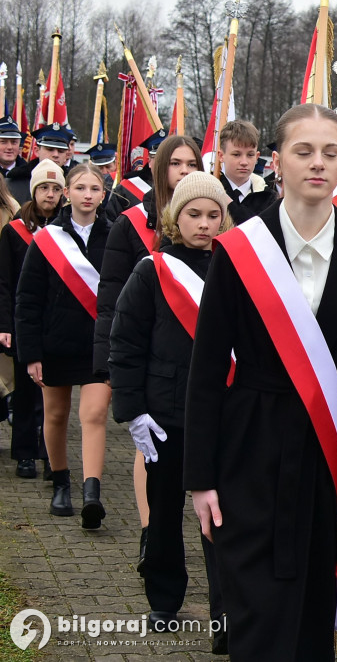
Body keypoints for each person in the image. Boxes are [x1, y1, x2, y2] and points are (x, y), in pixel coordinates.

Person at [184, 104, 337, 660]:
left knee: (308, 618)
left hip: (328, 459)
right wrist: (200, 478)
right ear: (277, 162)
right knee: (255, 614)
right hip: (248, 448)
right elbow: (206, 370)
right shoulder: (238, 250)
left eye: (330, 153)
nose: (317, 164)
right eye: (303, 151)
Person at [109, 170, 231, 651]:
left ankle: (225, 611)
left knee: (219, 516)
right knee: (163, 513)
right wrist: (133, 411)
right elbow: (126, 342)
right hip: (164, 416)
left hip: (220, 416)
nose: (204, 223)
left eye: (213, 214)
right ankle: (163, 595)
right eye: (193, 214)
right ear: (175, 218)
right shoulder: (152, 270)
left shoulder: (236, 269)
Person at [95, 135, 202, 567]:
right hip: (156, 373)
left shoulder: (220, 231)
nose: (183, 170)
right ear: (160, 170)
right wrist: (113, 371)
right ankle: (147, 533)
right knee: (154, 459)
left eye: (192, 162)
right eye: (175, 163)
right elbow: (113, 301)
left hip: (198, 380)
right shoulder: (131, 223)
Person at [15, 163, 111, 529]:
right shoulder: (47, 239)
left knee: (95, 415)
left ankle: (91, 494)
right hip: (54, 345)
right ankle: (60, 482)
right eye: (80, 187)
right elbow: (28, 300)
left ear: (103, 194)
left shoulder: (114, 235)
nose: (88, 194)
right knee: (55, 416)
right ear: (67, 193)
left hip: (97, 346)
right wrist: (31, 354)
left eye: (95, 188)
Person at [0, 165, 61, 479]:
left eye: (55, 189)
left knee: (55, 396)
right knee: (26, 391)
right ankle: (24, 452)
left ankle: (52, 455)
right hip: (26, 322)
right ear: (34, 191)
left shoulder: (68, 229)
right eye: (43, 189)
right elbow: (3, 282)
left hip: (60, 324)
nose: (50, 195)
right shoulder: (14, 231)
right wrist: (5, 325)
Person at [216, 120, 277, 224]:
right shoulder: (210, 191)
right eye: (236, 154)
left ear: (257, 156)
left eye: (250, 155)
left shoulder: (268, 197)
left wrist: (228, 203)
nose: (244, 162)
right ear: (221, 156)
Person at [6, 124, 73, 205]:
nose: (55, 154)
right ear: (36, 151)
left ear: (66, 155)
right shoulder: (15, 181)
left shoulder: (73, 184)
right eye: (50, 149)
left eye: (61, 151)